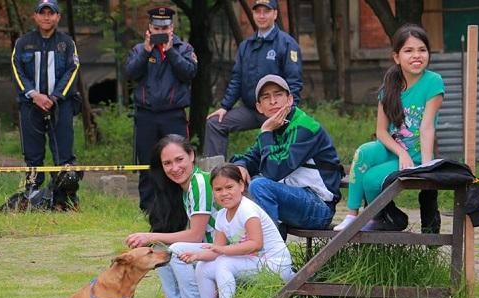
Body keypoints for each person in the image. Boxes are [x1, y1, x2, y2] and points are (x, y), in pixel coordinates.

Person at [334, 24, 444, 231]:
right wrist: (400, 152)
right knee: (363, 152)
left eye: (422, 50)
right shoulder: (389, 87)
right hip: (393, 151)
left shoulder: (433, 82)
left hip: (417, 156)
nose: (416, 56)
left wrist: (427, 167)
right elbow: (382, 131)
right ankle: (352, 216)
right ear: (396, 57)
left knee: (372, 180)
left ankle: (387, 217)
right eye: (408, 51)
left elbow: (427, 127)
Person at [125, 134, 219, 298]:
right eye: (167, 163)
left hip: (229, 250)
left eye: (179, 160)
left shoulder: (200, 182)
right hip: (211, 249)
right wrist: (154, 239)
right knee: (161, 249)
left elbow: (195, 236)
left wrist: (148, 237)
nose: (174, 168)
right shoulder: (184, 189)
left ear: (191, 155)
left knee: (174, 250)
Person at [179, 164, 293, 298]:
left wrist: (223, 250)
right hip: (254, 263)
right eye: (218, 189)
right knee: (203, 267)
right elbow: (215, 251)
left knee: (225, 263)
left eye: (229, 187)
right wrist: (197, 256)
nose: (224, 193)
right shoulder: (221, 216)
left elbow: (255, 244)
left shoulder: (247, 210)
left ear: (241, 185)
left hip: (275, 264)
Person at [231, 75, 342, 233]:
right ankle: (251, 247)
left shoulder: (304, 127)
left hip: (319, 207)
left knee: (259, 185)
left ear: (289, 99)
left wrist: (266, 132)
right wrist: (240, 165)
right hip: (293, 199)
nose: (273, 101)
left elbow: (274, 172)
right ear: (259, 107)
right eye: (266, 97)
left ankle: (271, 250)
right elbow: (251, 158)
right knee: (232, 181)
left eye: (278, 94)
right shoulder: (275, 127)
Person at [203, 0, 303, 159]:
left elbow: (294, 82)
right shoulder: (246, 46)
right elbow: (236, 79)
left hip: (276, 110)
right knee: (215, 123)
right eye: (258, 12)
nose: (261, 16)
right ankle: (215, 176)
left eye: (266, 11)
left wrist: (288, 112)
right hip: (251, 109)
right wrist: (225, 106)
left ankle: (275, 174)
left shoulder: (287, 44)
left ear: (275, 14)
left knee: (282, 138)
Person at [124, 7, 198, 212]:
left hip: (173, 115)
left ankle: (181, 207)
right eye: (156, 27)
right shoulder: (139, 49)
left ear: (172, 27)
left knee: (179, 163)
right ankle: (147, 209)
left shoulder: (184, 49)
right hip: (146, 115)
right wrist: (147, 51)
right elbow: (130, 73)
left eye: (164, 28)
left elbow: (189, 73)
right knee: (147, 164)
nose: (160, 32)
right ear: (149, 28)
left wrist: (171, 50)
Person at [10, 0, 82, 209]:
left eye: (52, 13)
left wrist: (55, 97)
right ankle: (31, 195)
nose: (47, 17)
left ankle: (66, 198)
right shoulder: (23, 43)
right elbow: (17, 71)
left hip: (61, 106)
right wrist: (34, 95)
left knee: (64, 154)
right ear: (35, 16)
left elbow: (73, 70)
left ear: (58, 17)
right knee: (32, 154)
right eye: (43, 13)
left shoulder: (67, 43)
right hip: (30, 106)